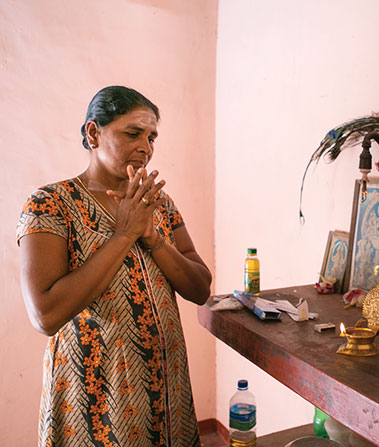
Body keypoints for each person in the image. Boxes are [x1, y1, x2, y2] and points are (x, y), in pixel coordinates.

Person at [17, 86, 212, 446]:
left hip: (165, 385)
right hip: (95, 393)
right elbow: (45, 315)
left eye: (152, 137)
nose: (146, 147)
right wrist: (123, 236)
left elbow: (200, 289)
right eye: (133, 133)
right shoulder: (50, 205)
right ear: (93, 133)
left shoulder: (158, 203)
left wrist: (153, 239)